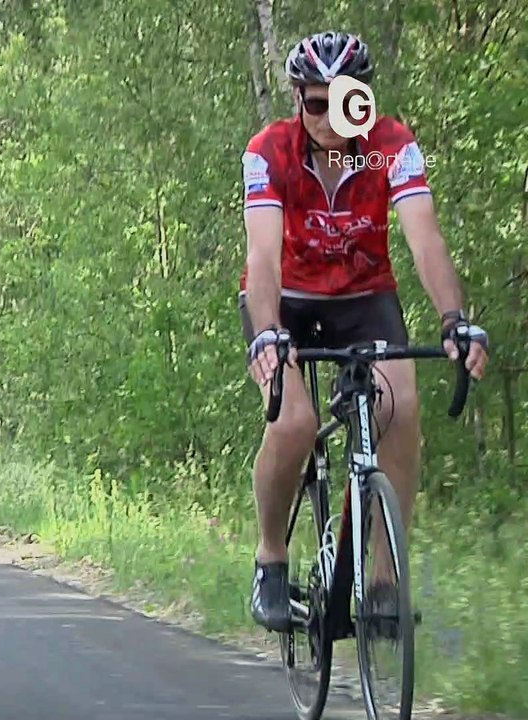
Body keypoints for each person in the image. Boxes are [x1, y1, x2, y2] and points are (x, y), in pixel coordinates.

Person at [239, 32, 489, 631]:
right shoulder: (269, 152)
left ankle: (382, 584)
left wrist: (455, 319)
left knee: (400, 410)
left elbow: (424, 239)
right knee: (294, 421)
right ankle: (271, 559)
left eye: (341, 100)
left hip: (363, 293)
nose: (326, 118)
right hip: (286, 297)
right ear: (299, 99)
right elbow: (264, 257)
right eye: (314, 103)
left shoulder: (387, 147)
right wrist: (269, 333)